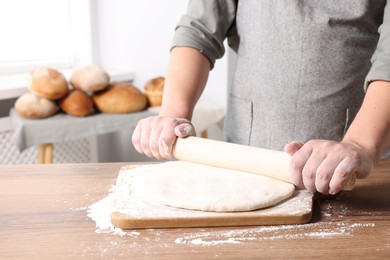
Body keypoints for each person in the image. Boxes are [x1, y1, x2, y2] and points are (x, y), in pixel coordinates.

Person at [132, 1, 390, 195]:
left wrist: (360, 145)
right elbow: (198, 29)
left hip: (353, 173)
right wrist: (173, 114)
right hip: (245, 162)